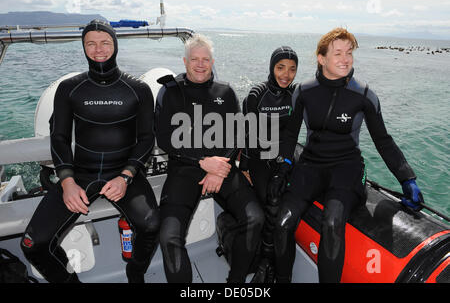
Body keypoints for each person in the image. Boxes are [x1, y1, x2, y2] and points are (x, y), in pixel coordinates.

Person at [271, 27, 423, 283]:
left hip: (347, 168)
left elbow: (383, 141)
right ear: (321, 58)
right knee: (283, 223)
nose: (346, 59)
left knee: (332, 225)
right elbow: (289, 136)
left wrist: (407, 179)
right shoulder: (304, 92)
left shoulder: (363, 95)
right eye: (338, 53)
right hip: (310, 165)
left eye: (349, 53)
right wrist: (283, 166)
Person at [20, 19, 160, 283]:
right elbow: (59, 138)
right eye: (91, 44)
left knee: (151, 225)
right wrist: (67, 182)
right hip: (79, 175)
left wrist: (127, 176)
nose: (98, 49)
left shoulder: (138, 89)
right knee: (32, 243)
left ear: (115, 45)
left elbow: (145, 138)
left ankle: (135, 272)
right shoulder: (69, 88)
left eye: (105, 42)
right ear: (83, 47)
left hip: (124, 173)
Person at [155, 33, 264, 283]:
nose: (200, 64)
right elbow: (164, 138)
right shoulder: (169, 92)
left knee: (255, 218)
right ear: (185, 62)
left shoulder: (224, 92)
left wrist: (218, 168)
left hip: (222, 167)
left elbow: (237, 135)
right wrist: (202, 162)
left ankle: (235, 283)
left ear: (212, 62)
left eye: (206, 59)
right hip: (184, 168)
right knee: (169, 236)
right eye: (195, 59)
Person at [239, 46, 298, 283]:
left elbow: (292, 135)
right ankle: (265, 263)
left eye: (292, 69)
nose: (286, 74)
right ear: (272, 67)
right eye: (281, 67)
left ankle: (271, 264)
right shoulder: (256, 95)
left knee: (283, 206)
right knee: (270, 200)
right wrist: (244, 166)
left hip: (283, 154)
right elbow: (248, 135)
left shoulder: (296, 95)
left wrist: (284, 162)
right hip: (260, 156)